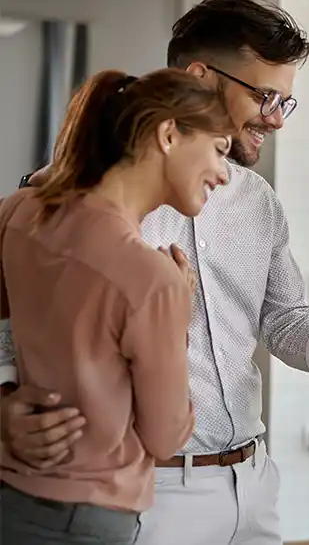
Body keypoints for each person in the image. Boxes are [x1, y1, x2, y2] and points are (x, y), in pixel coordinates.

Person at [0, 0, 309, 545]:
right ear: (200, 78)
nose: (277, 118)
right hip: (147, 495)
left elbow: (285, 321)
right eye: (264, 96)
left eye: (286, 101)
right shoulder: (68, 197)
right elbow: (13, 319)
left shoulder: (257, 201)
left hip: (252, 483)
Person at [0, 67, 236, 544]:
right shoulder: (154, 280)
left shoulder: (17, 212)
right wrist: (178, 315)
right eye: (219, 149)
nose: (225, 174)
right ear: (169, 134)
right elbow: (165, 438)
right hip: (88, 522)